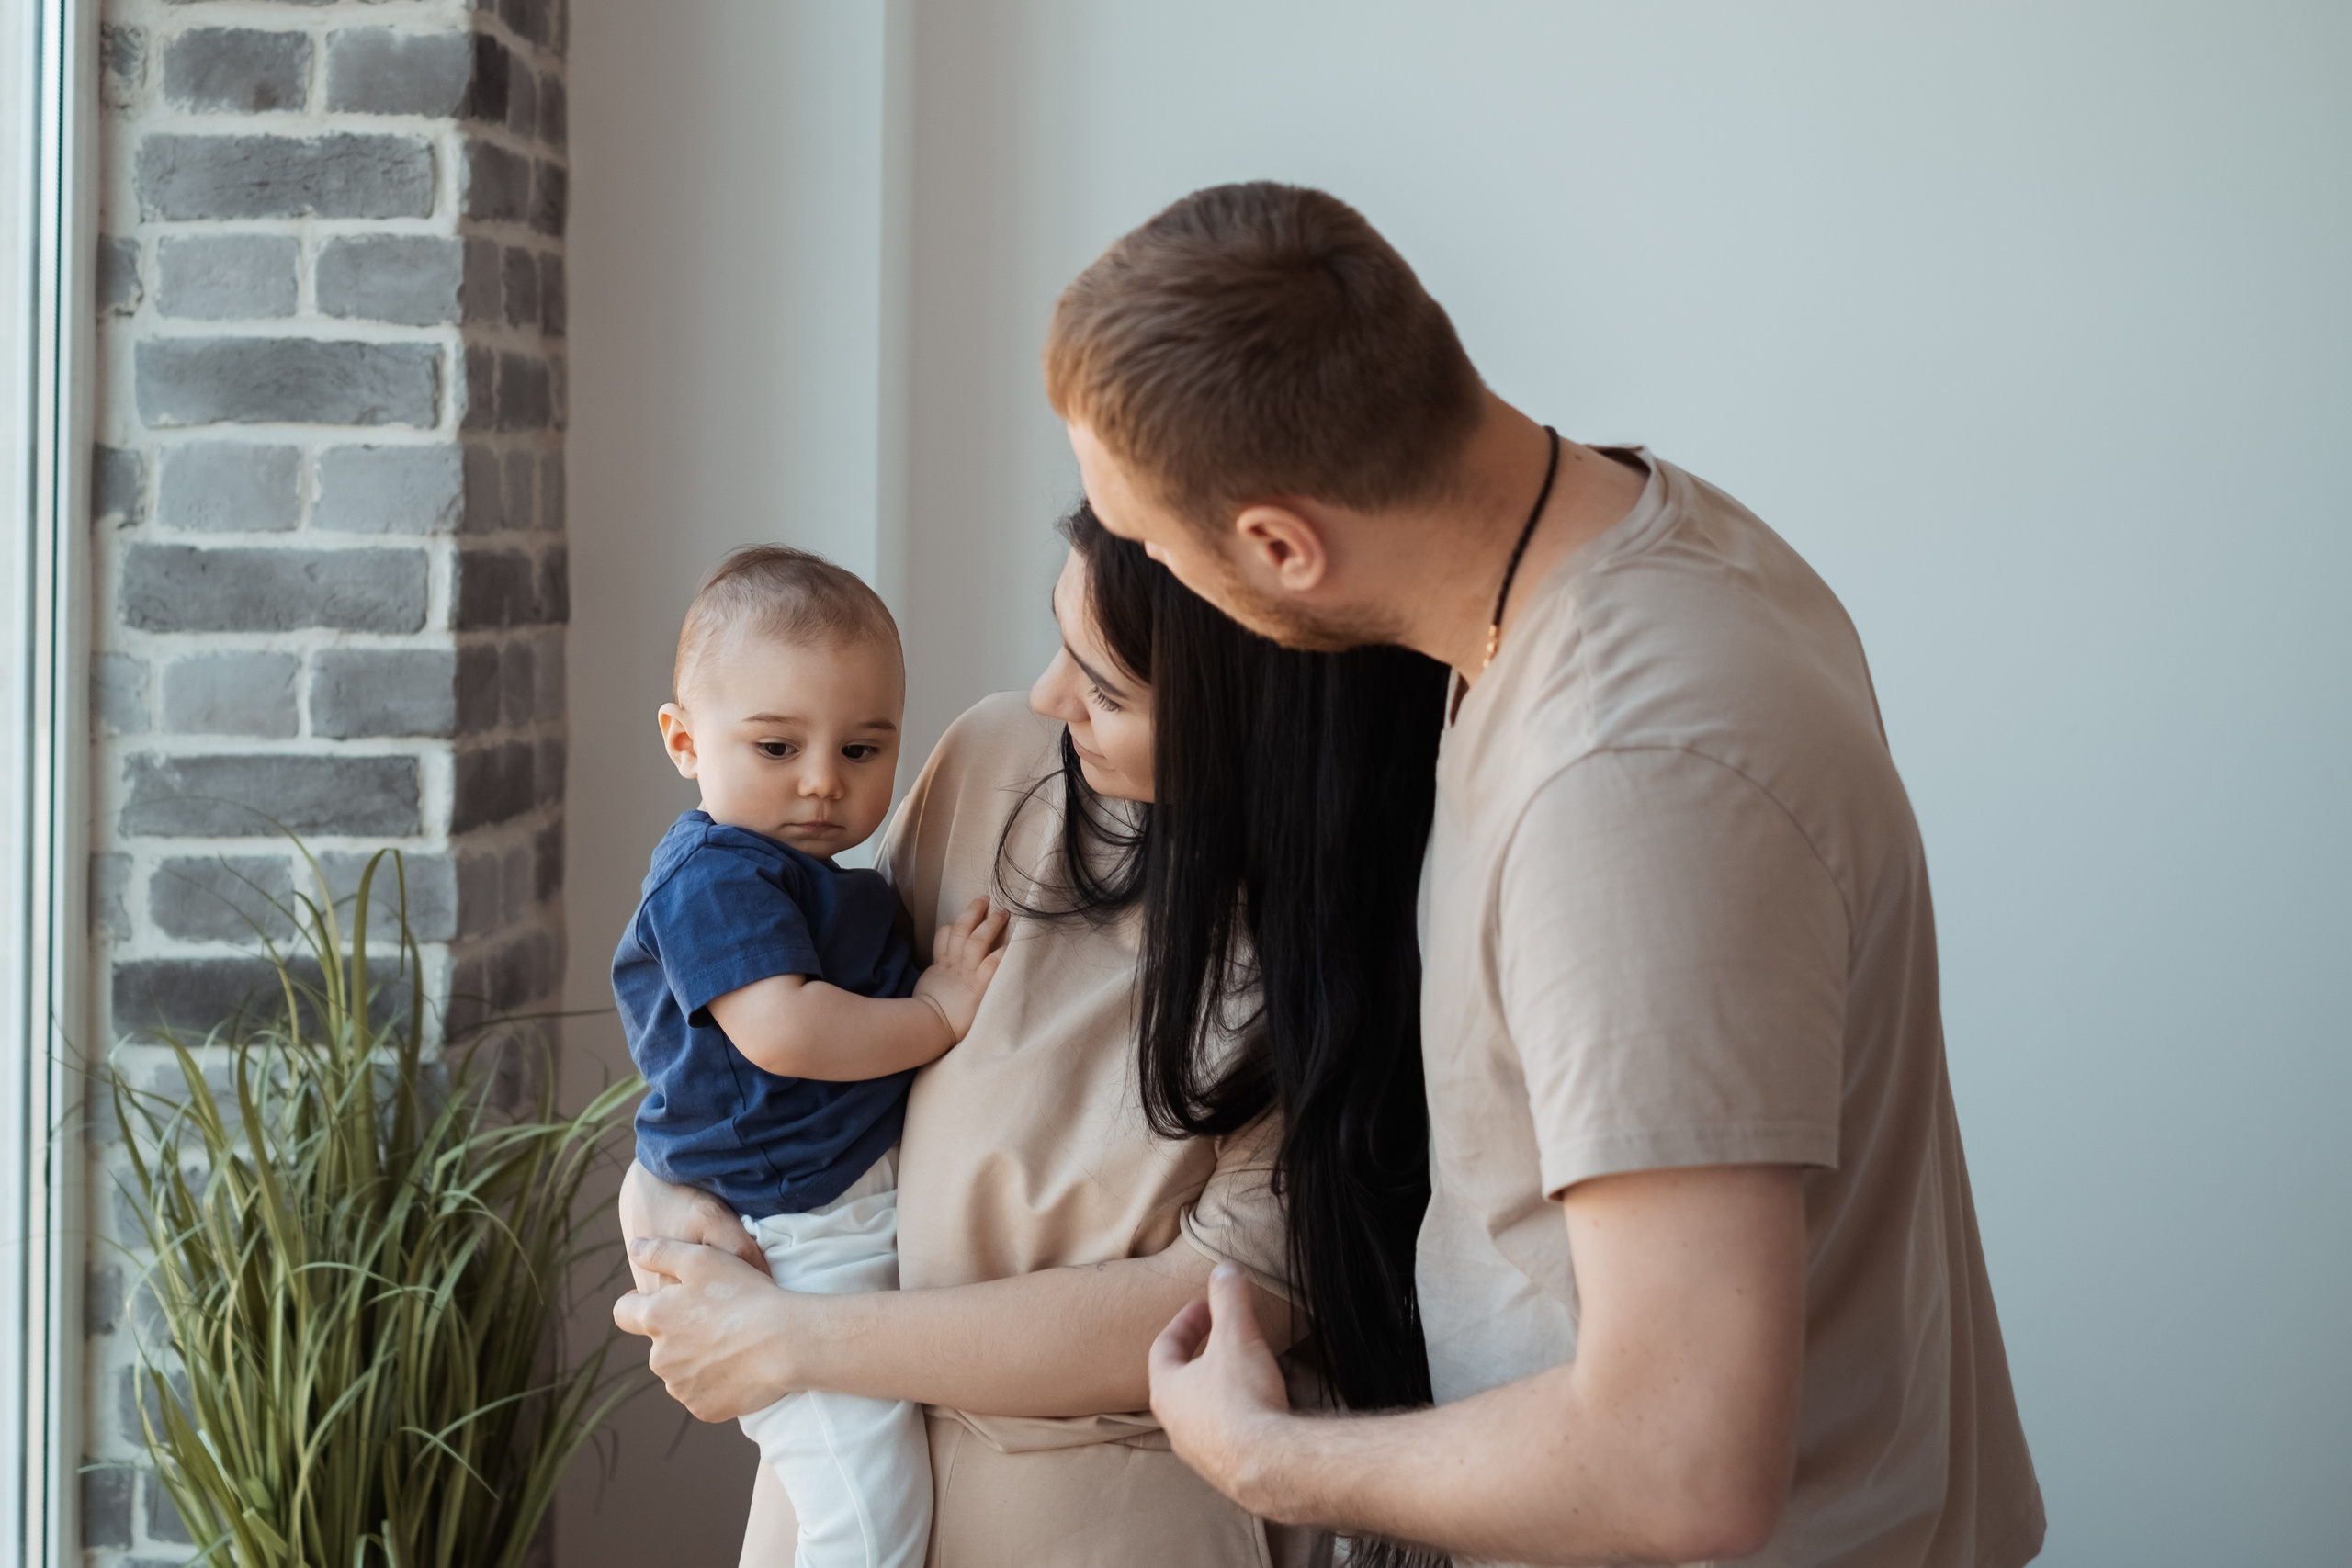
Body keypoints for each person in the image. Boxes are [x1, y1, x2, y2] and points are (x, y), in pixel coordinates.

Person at [1055, 183, 2049, 1567]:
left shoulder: (1629, 777)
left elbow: (1681, 1461)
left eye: (1157, 548)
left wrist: (1266, 1455)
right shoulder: (1638, 528)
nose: (1156, 578)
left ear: (1282, 544)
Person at [614, 509, 1450, 1567]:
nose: (1050, 698)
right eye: (1059, 641)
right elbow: (783, 1042)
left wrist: (793, 1339)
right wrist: (666, 1195)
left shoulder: (1346, 939)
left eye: (1104, 686)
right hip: (838, 1484)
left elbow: (1229, 1297)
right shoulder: (995, 761)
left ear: (1253, 714)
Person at [612, 547, 1012, 1568]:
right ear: (683, 739)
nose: (824, 782)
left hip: (824, 1212)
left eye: (864, 751)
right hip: (797, 1232)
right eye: (779, 746)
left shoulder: (800, 868)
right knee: (867, 1513)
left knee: (835, 1492)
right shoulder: (714, 875)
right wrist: (939, 1010)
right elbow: (782, 1030)